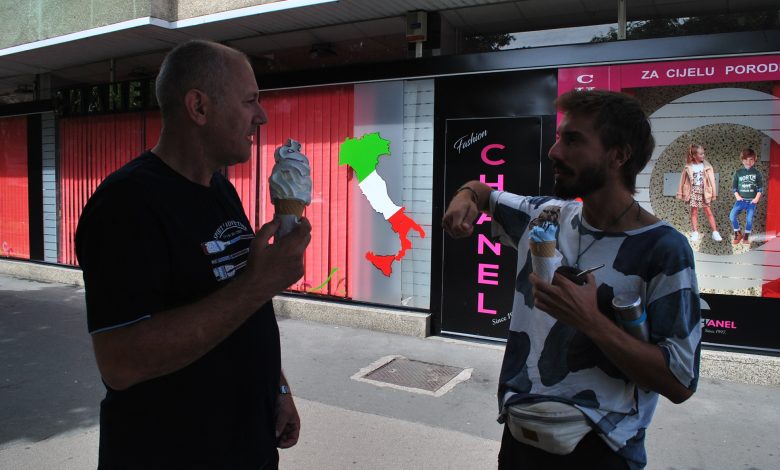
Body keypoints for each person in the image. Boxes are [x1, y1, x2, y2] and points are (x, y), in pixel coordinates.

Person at [75, 40, 311, 469]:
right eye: (250, 100)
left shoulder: (220, 188)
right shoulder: (125, 205)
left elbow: (239, 308)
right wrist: (260, 283)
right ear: (199, 107)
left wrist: (277, 388)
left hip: (249, 446)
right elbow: (120, 362)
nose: (261, 116)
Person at [442, 90, 701, 470]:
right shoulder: (542, 215)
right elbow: (484, 194)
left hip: (602, 451)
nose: (554, 152)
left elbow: (680, 381)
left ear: (618, 155)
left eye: (573, 140)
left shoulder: (663, 249)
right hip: (521, 438)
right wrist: (465, 195)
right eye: (559, 138)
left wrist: (591, 321)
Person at [676, 144, 722, 242]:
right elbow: (682, 180)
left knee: (708, 211)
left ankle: (715, 232)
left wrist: (713, 194)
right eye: (701, 154)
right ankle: (695, 232)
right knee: (694, 211)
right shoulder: (688, 166)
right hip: (693, 190)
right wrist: (680, 193)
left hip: (704, 191)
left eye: (703, 153)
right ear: (694, 155)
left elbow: (712, 181)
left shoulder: (707, 166)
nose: (703, 155)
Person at [729, 148, 763, 245]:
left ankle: (746, 236)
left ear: (754, 160)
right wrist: (737, 196)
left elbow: (760, 188)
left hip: (751, 201)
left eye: (751, 159)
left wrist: (756, 198)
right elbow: (734, 187)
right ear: (742, 160)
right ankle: (738, 233)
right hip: (741, 200)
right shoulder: (738, 173)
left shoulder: (757, 173)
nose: (748, 162)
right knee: (732, 216)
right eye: (746, 159)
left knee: (749, 219)